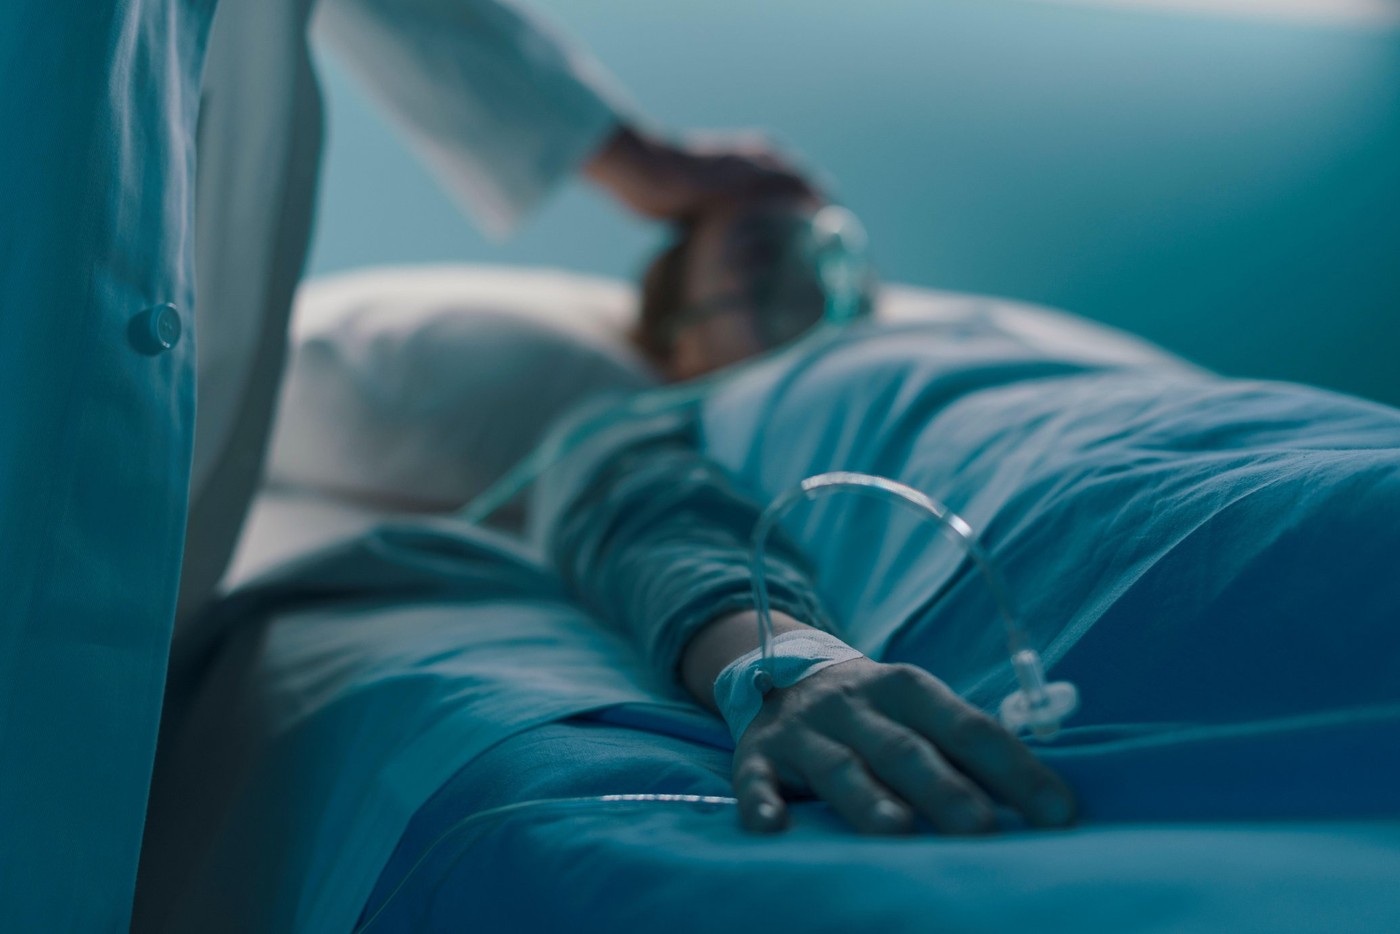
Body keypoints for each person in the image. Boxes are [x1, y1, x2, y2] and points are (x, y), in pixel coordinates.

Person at [0, 0, 817, 927]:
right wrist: (788, 661)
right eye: (742, 243)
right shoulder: (625, 412)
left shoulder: (904, 358)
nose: (783, 250)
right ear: (669, 320)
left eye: (819, 243)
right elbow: (630, 487)